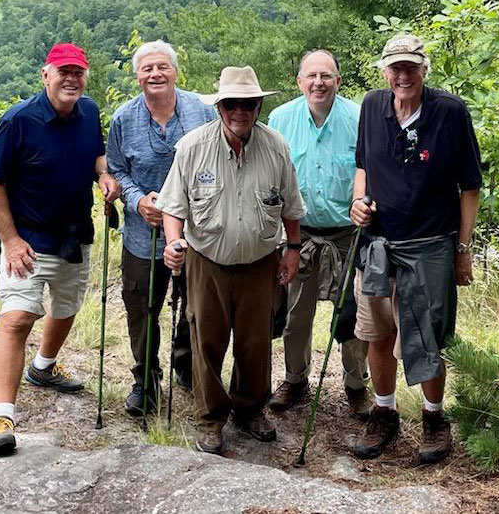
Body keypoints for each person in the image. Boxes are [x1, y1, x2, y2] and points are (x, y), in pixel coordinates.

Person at [157, 66, 306, 455]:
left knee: (255, 343)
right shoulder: (192, 147)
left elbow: (290, 205)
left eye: (248, 104)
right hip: (206, 261)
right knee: (206, 342)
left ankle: (250, 410)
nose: (240, 111)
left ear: (258, 106)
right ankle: (210, 419)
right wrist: (174, 243)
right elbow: (173, 206)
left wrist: (293, 250)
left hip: (260, 262)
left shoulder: (276, 148)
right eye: (232, 104)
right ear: (219, 107)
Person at [0, 42, 119, 456]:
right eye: (64, 72)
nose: (71, 79)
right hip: (27, 239)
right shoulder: (18, 121)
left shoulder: (90, 112)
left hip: (74, 234)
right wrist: (10, 239)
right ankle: (2, 416)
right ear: (46, 75)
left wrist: (103, 175)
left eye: (78, 72)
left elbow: (95, 153)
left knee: (66, 307)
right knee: (17, 319)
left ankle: (43, 367)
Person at [350, 33, 482, 464]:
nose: (403, 75)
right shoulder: (371, 106)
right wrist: (358, 202)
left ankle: (433, 419)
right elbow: (363, 165)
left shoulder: (450, 112)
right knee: (377, 332)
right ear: (385, 71)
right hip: (377, 244)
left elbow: (470, 186)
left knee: (426, 337)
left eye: (411, 67)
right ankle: (384, 413)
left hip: (430, 245)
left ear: (425, 69)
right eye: (396, 67)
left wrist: (462, 249)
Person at [106, 39, 215, 416]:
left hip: (197, 232)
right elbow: (117, 169)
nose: (155, 74)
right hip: (142, 234)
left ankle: (186, 367)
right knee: (142, 308)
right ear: (137, 76)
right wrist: (137, 200)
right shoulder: (123, 118)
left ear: (175, 71)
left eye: (162, 67)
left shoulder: (201, 111)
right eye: (147, 68)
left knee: (195, 306)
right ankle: (146, 380)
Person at [267, 49, 369, 418]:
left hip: (349, 235)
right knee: (296, 315)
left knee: (356, 314)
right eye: (311, 76)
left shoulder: (359, 118)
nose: (318, 82)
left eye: (326, 76)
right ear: (299, 82)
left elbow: (369, 172)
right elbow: (272, 179)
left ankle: (357, 384)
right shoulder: (280, 119)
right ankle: (295, 380)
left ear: (338, 81)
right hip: (301, 234)